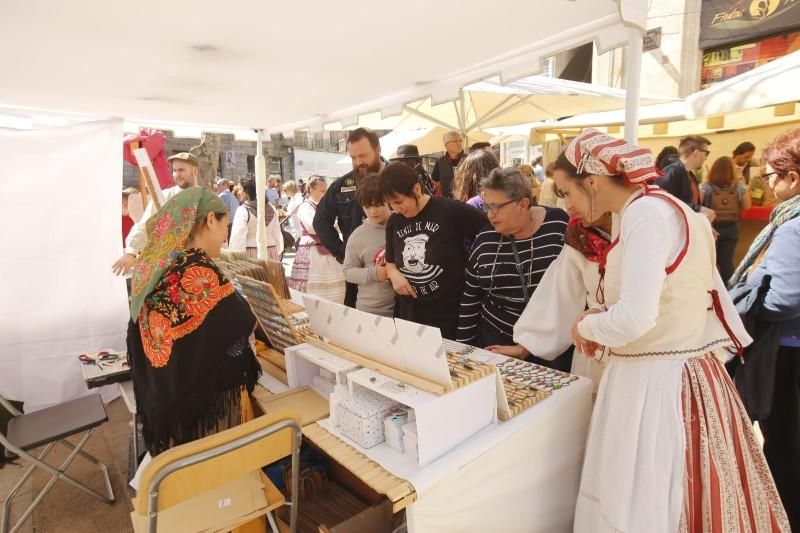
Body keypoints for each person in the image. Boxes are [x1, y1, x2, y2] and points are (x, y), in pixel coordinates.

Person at [554, 129, 787, 532]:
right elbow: (688, 299)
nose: (566, 205)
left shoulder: (645, 214)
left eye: (565, 192)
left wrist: (587, 324)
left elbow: (636, 317)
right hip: (681, 373)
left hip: (658, 384)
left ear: (592, 180)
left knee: (646, 497)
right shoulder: (667, 209)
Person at [127, 187, 261, 457]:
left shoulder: (154, 266)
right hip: (200, 417)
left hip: (164, 403)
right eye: (225, 226)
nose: (225, 237)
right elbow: (243, 322)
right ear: (210, 220)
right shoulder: (197, 269)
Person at [728, 128, 800, 530]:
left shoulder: (793, 225)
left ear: (793, 177)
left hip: (788, 350)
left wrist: (745, 291)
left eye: (770, 176)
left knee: (787, 448)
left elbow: (781, 299)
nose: (767, 186)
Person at [456, 167, 568, 349]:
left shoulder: (558, 225)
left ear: (523, 204)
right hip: (497, 342)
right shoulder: (485, 238)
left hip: (551, 343)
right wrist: (463, 349)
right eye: (487, 206)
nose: (490, 214)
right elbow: (471, 296)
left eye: (496, 207)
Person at [381, 163, 488, 339]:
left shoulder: (449, 210)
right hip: (410, 315)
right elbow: (390, 260)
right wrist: (393, 275)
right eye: (391, 204)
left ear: (416, 189)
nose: (396, 209)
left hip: (449, 316)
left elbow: (488, 229)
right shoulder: (394, 222)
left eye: (399, 201)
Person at [514, 213, 614, 395]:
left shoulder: (641, 227)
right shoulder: (580, 237)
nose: (568, 206)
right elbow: (560, 289)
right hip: (593, 350)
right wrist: (527, 344)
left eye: (569, 192)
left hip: (638, 358)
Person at [314, 128, 385, 307]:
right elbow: (320, 221)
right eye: (353, 158)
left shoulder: (397, 178)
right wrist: (342, 253)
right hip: (358, 274)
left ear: (378, 150)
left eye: (363, 155)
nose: (358, 162)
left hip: (396, 270)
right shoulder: (342, 185)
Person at [112, 152, 199, 275]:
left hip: (200, 265)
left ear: (194, 171)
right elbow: (145, 225)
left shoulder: (207, 198)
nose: (176, 175)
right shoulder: (164, 197)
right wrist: (131, 251)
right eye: (174, 170)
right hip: (171, 267)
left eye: (181, 170)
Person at [342, 174, 395, 317]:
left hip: (405, 310)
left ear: (389, 200)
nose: (373, 211)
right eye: (367, 207)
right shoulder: (358, 236)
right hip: (370, 311)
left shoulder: (402, 224)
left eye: (378, 205)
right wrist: (375, 273)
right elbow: (347, 272)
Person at [289, 177, 345, 302]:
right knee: (313, 290)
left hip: (326, 249)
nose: (325, 194)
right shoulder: (305, 207)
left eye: (326, 191)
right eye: (322, 191)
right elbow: (313, 227)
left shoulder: (322, 207)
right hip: (313, 251)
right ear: (311, 190)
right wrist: (330, 226)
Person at [699, 156, 752, 281]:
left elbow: (698, 207)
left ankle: (711, 291)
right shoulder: (739, 186)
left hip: (711, 228)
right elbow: (747, 206)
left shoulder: (705, 187)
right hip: (731, 228)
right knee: (726, 262)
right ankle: (730, 292)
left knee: (710, 262)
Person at [656, 135, 717, 224]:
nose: (706, 158)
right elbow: (665, 202)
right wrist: (699, 209)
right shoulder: (672, 171)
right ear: (696, 153)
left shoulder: (689, 174)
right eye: (706, 153)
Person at [229, 177, 284, 260]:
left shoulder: (243, 210)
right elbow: (277, 234)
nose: (239, 192)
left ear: (247, 191)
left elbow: (237, 238)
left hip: (251, 254)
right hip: (271, 251)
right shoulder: (271, 208)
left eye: (240, 189)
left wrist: (236, 258)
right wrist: (277, 252)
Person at [431, 130, 465, 198]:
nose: (459, 143)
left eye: (460, 140)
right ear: (446, 145)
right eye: (455, 141)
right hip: (448, 200)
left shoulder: (469, 159)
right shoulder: (440, 161)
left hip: (466, 201)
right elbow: (435, 180)